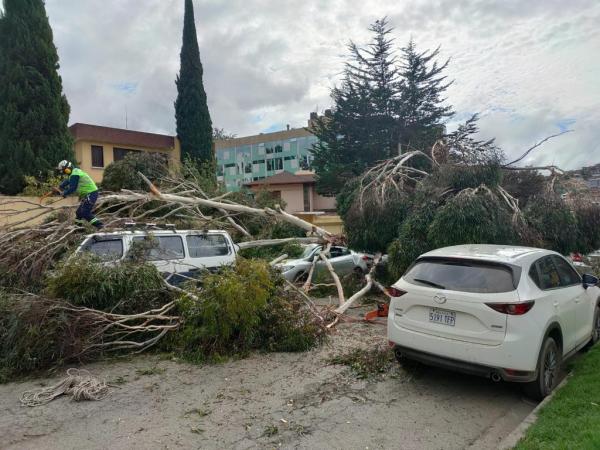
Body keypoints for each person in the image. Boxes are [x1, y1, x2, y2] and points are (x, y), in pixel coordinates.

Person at [56, 160, 103, 228]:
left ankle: (100, 226)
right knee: (79, 212)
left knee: (85, 212)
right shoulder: (74, 172)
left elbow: (73, 188)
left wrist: (64, 193)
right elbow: (68, 181)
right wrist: (60, 186)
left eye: (64, 171)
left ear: (67, 169)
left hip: (91, 193)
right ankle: (78, 228)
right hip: (88, 194)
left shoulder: (75, 174)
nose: (63, 172)